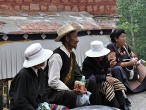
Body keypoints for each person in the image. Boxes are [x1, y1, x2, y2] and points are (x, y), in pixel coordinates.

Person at [46, 23, 101, 109]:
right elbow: (53, 82)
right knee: (71, 95)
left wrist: (81, 86)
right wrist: (70, 90)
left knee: (91, 83)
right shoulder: (57, 56)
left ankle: (96, 108)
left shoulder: (71, 55)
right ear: (67, 38)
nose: (78, 40)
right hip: (54, 93)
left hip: (68, 88)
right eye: (75, 37)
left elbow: (77, 75)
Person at [82, 40, 129, 110]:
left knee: (116, 82)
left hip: (105, 79)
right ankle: (115, 107)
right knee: (108, 87)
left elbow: (108, 68)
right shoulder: (87, 62)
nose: (101, 57)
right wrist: (105, 78)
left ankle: (123, 106)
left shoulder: (104, 58)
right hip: (96, 83)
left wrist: (109, 75)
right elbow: (91, 78)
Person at [9, 43, 53, 110]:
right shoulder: (23, 75)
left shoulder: (40, 72)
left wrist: (46, 106)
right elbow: (20, 100)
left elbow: (43, 94)